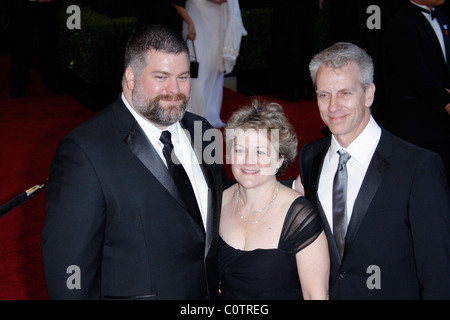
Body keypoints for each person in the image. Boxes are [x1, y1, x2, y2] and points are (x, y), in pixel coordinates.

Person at [42, 25, 229, 299]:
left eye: (183, 77)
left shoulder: (202, 131)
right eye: (161, 76)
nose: (175, 90)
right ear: (130, 77)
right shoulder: (84, 151)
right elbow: (69, 268)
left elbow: (223, 200)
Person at [296, 42, 450, 299]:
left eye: (345, 93)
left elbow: (439, 273)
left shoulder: (418, 167)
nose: (333, 107)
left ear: (369, 94)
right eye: (324, 95)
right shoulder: (310, 158)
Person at [219, 100, 330, 300]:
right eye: (240, 150)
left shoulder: (299, 217)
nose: (248, 161)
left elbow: (316, 296)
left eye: (260, 152)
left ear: (280, 159)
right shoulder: (218, 202)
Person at [382, 0, 450, 183]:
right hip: (418, 119)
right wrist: (445, 100)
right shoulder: (401, 24)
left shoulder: (443, 16)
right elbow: (414, 73)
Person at [173, 0, 246, 128]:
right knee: (198, 72)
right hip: (196, 21)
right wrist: (189, 22)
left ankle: (211, 116)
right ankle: (193, 118)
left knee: (215, 69)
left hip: (217, 22)